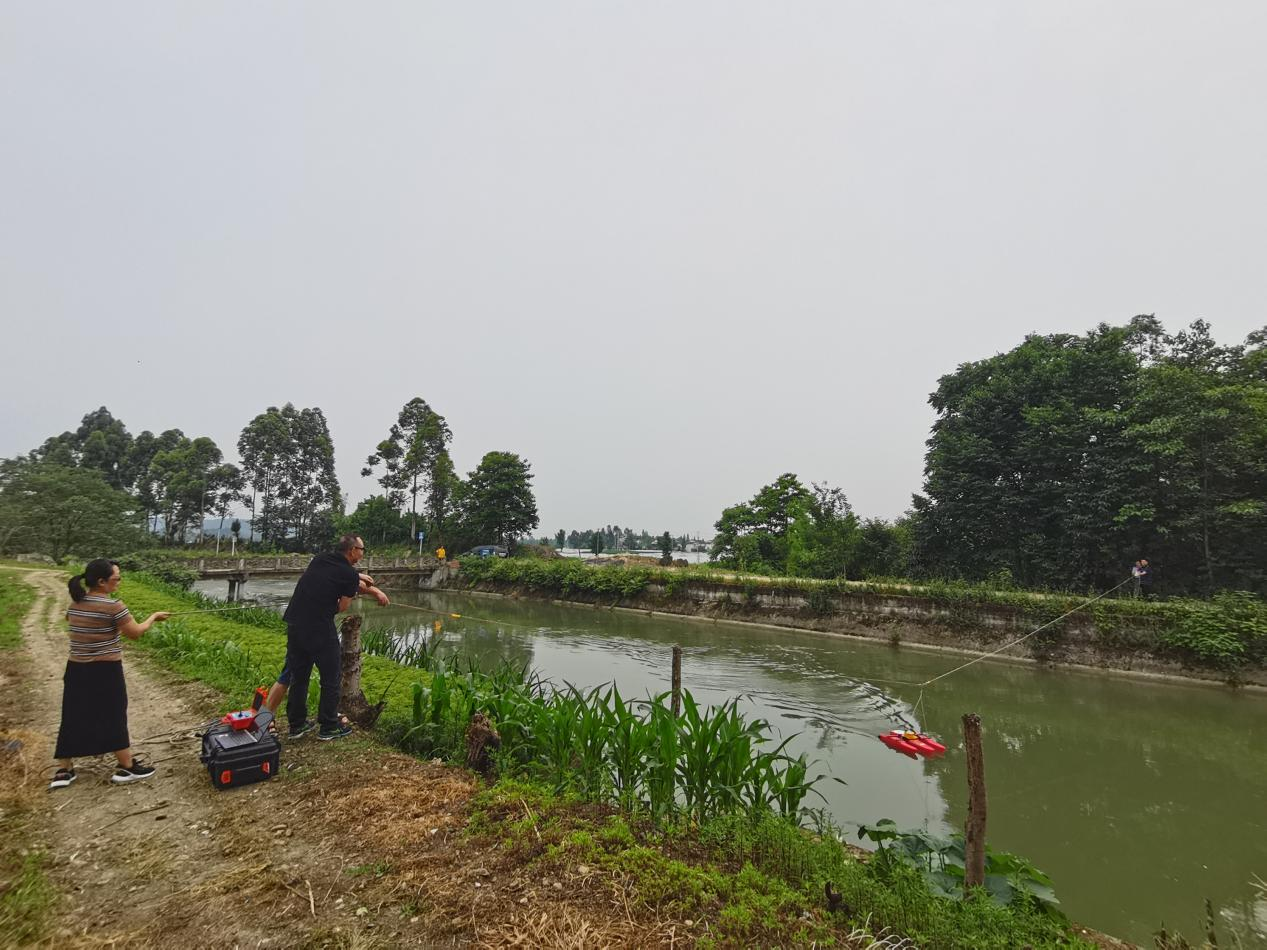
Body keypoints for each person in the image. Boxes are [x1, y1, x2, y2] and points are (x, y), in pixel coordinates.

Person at [50, 559, 170, 790]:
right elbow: (135, 633)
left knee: (72, 716)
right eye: (116, 578)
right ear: (101, 582)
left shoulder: (76, 603)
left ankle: (64, 771)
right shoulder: (114, 606)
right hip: (105, 670)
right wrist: (154, 617)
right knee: (114, 716)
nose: (119, 582)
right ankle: (127, 766)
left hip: (75, 669)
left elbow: (74, 620)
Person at [283, 536, 390, 740]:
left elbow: (343, 577)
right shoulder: (348, 574)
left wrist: (366, 585)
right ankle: (329, 725)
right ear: (352, 550)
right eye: (362, 549)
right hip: (319, 627)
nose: (363, 553)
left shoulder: (320, 559)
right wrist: (363, 589)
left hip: (295, 623)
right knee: (331, 677)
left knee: (299, 677)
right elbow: (342, 606)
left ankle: (296, 725)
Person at [263, 570, 387, 716]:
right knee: (326, 677)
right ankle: (328, 720)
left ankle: (272, 719)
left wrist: (368, 588)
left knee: (291, 675)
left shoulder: (325, 568)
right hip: (312, 628)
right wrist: (375, 592)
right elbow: (349, 592)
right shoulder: (336, 571)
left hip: (301, 624)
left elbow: (353, 582)